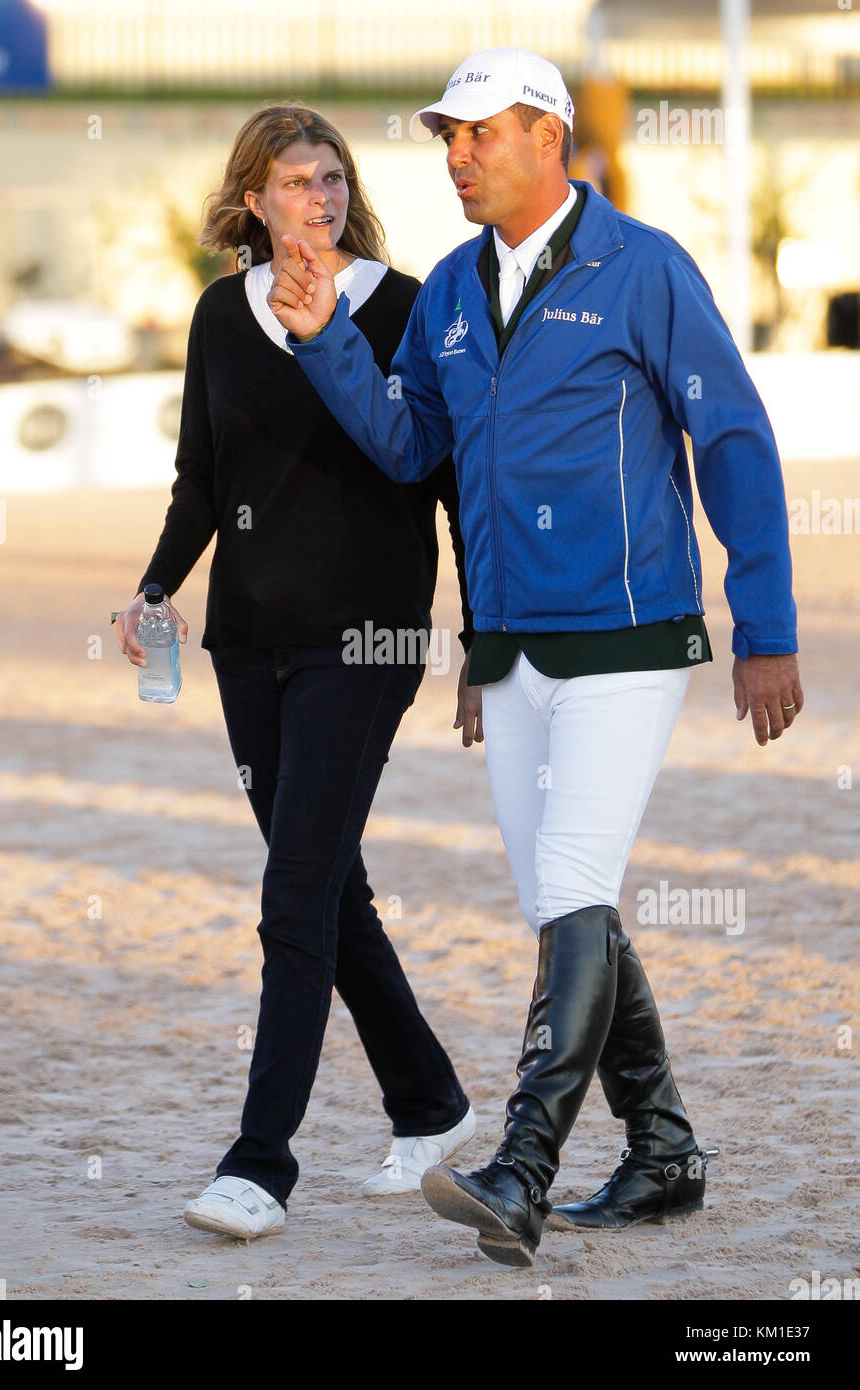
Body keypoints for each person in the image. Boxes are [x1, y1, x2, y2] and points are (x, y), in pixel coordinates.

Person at [267, 47, 803, 1268]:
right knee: (568, 903)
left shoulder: (644, 268)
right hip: (510, 652)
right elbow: (413, 451)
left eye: (474, 135)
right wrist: (324, 342)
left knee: (569, 879)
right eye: (444, 140)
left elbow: (732, 440)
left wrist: (763, 629)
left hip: (626, 634)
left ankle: (523, 1164)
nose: (452, 157)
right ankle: (663, 1150)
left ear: (545, 135)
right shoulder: (451, 290)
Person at [115, 103, 476, 1242]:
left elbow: (450, 479)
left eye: (332, 179)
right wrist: (157, 584)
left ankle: (259, 1163)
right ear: (254, 201)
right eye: (294, 182)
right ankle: (428, 1099)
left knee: (292, 891)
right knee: (321, 879)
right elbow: (199, 474)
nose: (317, 199)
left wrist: (481, 639)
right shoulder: (220, 316)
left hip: (365, 639)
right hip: (249, 639)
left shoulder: (407, 307)